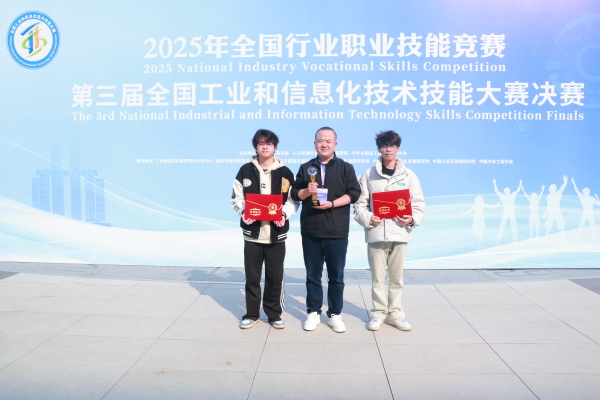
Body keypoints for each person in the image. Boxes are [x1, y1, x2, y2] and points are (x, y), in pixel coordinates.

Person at [291, 127, 361, 333]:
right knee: (313, 275)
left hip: (337, 231)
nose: (324, 144)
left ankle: (335, 314)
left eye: (328, 141)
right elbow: (294, 193)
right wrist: (307, 190)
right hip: (311, 231)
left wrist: (332, 204)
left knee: (336, 277)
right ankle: (313, 312)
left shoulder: (346, 168)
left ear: (335, 144)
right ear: (315, 144)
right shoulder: (306, 168)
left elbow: (354, 193)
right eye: (320, 140)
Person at [354, 130, 425, 331]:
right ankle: (378, 313)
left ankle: (395, 314)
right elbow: (359, 206)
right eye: (384, 146)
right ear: (379, 149)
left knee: (396, 278)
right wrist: (369, 218)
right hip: (376, 233)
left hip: (400, 233)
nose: (388, 149)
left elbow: (419, 205)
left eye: (392, 146)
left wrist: (412, 219)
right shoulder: (369, 174)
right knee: (377, 278)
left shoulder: (409, 175)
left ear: (398, 149)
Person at [231, 129, 298, 329]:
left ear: (275, 147)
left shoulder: (285, 172)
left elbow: (293, 200)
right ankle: (252, 314)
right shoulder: (245, 170)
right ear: (256, 147)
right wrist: (244, 212)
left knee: (274, 277)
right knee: (252, 278)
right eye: (261, 144)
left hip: (276, 234)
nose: (265, 147)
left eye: (269, 144)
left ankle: (274, 314)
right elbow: (236, 198)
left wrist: (283, 214)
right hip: (252, 234)